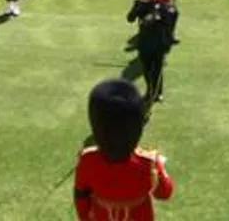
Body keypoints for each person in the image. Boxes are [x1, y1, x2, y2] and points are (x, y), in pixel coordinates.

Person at [73, 79, 174, 220]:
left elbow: (81, 197)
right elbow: (165, 193)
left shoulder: (87, 159)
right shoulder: (148, 162)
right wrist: (159, 166)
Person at [127, 0, 175, 103]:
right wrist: (138, 7)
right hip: (144, 44)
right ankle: (150, 91)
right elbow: (130, 18)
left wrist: (167, 43)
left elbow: (168, 23)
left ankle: (158, 93)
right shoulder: (138, 4)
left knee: (157, 70)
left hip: (158, 44)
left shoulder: (160, 5)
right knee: (147, 70)